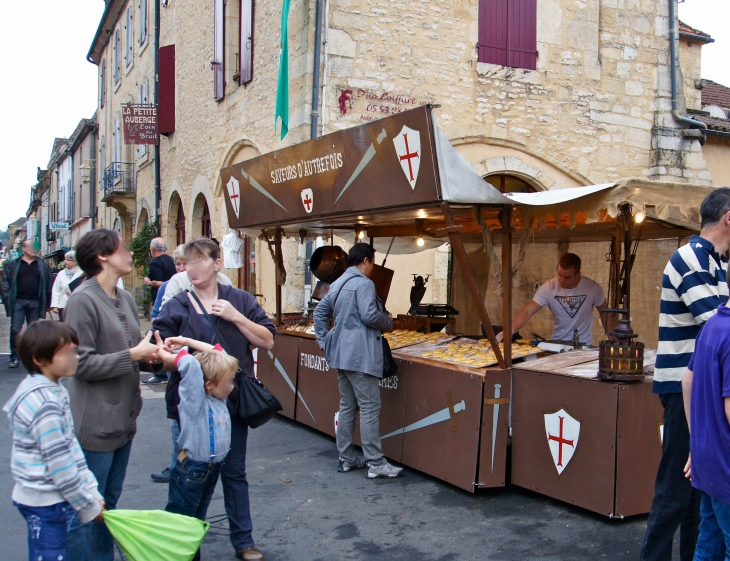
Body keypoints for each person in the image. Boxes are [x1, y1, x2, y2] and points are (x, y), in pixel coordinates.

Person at [153, 238, 275, 561]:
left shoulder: (240, 299)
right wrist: (182, 357)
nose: (192, 268)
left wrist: (236, 316)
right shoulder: (177, 304)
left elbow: (267, 339)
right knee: (194, 478)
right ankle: (184, 542)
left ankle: (244, 540)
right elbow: (158, 352)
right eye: (187, 262)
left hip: (233, 403)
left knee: (234, 472)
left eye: (199, 261)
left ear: (217, 264)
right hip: (192, 409)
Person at [63, 229, 163, 561]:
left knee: (110, 507)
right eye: (121, 247)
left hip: (124, 419)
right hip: (96, 423)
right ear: (103, 256)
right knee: (88, 511)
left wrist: (152, 356)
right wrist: (135, 354)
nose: (129, 252)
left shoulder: (123, 298)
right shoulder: (81, 301)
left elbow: (127, 353)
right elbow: (80, 365)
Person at [641, 188, 730, 561]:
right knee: (675, 491)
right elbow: (716, 323)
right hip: (685, 390)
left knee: (701, 492)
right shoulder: (688, 258)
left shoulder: (718, 263)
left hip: (704, 388)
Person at [3, 321, 105, 561]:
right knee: (50, 554)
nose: (77, 357)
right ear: (40, 359)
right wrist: (87, 505)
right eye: (68, 352)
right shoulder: (45, 404)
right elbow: (60, 464)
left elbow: (70, 447)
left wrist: (91, 489)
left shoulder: (53, 389)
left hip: (50, 497)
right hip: (44, 501)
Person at [313, 243, 402, 479]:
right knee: (370, 407)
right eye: (372, 262)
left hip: (341, 355)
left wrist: (324, 341)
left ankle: (346, 458)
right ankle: (376, 462)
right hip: (361, 356)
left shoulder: (338, 283)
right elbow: (370, 315)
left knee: (348, 407)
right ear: (365, 260)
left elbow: (319, 313)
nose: (372, 267)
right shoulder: (364, 283)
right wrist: (388, 321)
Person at [157, 336, 238, 561]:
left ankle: (190, 556)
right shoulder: (195, 402)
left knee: (195, 521)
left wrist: (186, 341)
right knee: (181, 522)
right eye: (229, 382)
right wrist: (169, 356)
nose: (232, 387)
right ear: (209, 385)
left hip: (210, 470)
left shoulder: (218, 397)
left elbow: (218, 353)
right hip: (192, 470)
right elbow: (192, 366)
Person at [682, 290, 730, 560]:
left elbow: (686, 382)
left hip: (709, 459)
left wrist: (697, 442)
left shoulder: (711, 325)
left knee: (708, 545)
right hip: (726, 464)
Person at [496, 253, 606, 345]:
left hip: (583, 345)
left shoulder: (592, 288)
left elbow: (606, 313)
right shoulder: (549, 287)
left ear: (578, 275)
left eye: (567, 277)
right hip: (557, 344)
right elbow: (527, 311)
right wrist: (511, 329)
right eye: (559, 275)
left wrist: (612, 339)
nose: (561, 280)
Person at [0, 239, 52, 368]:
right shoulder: (12, 264)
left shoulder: (43, 265)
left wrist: (48, 303)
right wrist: (7, 299)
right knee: (15, 329)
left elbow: (48, 285)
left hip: (35, 301)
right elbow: (5, 283)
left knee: (34, 331)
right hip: (18, 301)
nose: (34, 249)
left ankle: (33, 357)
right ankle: (14, 357)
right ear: (24, 249)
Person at [144, 245, 189, 387]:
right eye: (178, 264)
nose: (181, 268)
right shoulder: (167, 286)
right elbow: (156, 315)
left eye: (185, 263)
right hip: (174, 346)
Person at [50, 250, 84, 322]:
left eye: (68, 260)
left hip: (78, 305)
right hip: (63, 305)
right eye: (65, 259)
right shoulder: (61, 274)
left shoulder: (82, 273)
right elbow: (56, 290)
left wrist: (74, 293)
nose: (65, 262)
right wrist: (55, 305)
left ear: (75, 262)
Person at [145, 237, 177, 305]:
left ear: (153, 249)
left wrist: (148, 282)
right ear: (166, 249)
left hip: (161, 299)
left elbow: (159, 283)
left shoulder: (155, 263)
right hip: (174, 296)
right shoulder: (172, 260)